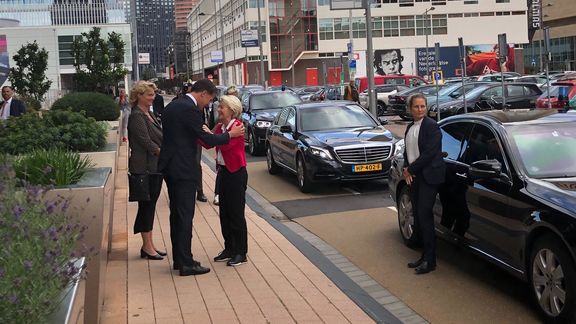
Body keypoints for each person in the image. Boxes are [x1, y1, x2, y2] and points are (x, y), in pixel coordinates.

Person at [158, 79, 244, 276]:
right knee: (184, 216)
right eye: (210, 100)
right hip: (184, 169)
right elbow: (206, 140)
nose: (208, 105)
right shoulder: (190, 109)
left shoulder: (174, 105)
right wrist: (230, 135)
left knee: (176, 216)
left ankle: (180, 259)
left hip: (171, 167)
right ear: (204, 93)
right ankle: (186, 263)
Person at [201, 95, 248, 266]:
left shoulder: (237, 127)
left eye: (222, 107)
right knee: (225, 214)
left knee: (236, 214)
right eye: (219, 106)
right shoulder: (221, 127)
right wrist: (203, 133)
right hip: (223, 173)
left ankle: (241, 252)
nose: (219, 109)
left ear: (232, 110)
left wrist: (214, 136)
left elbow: (225, 146)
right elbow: (208, 143)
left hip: (236, 173)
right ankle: (229, 248)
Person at [402, 93, 446, 275]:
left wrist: (410, 170)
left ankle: (431, 260)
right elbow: (407, 151)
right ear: (410, 109)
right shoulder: (410, 127)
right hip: (414, 177)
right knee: (419, 218)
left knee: (425, 216)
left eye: (422, 106)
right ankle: (424, 256)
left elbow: (429, 154)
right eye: (416, 107)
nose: (420, 110)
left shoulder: (432, 126)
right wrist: (406, 168)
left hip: (429, 176)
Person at [127, 81, 165, 260]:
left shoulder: (148, 113)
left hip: (154, 167)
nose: (153, 97)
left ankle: (149, 245)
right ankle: (147, 247)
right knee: (146, 207)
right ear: (139, 96)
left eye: (153, 94)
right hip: (144, 168)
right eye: (149, 94)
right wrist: (164, 153)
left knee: (150, 206)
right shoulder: (136, 116)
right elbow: (147, 142)